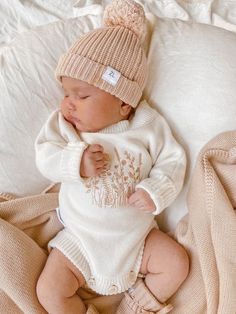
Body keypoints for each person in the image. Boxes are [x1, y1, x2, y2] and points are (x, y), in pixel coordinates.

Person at [35, 0, 189, 313]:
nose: (69, 104)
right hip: (79, 241)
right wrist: (75, 162)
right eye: (66, 93)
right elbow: (45, 154)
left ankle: (135, 307)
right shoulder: (65, 127)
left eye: (82, 95)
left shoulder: (147, 126)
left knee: (176, 263)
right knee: (49, 290)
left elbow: (173, 161)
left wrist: (155, 190)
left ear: (124, 103)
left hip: (137, 241)